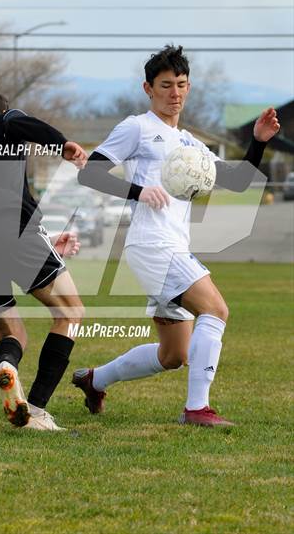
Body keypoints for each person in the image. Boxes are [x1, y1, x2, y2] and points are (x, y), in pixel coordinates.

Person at [72, 45, 280, 426]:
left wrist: (259, 141)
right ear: (148, 88)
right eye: (166, 85)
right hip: (153, 244)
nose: (175, 93)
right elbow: (90, 172)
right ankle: (197, 409)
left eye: (181, 84)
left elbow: (237, 181)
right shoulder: (137, 127)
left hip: (169, 246)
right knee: (216, 310)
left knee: (173, 356)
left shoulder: (190, 144)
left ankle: (93, 379)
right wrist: (137, 191)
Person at [0, 88, 87, 431]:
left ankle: (8, 366)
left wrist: (48, 239)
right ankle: (36, 409)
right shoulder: (4, 122)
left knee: (14, 333)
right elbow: (15, 121)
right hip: (11, 226)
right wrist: (61, 144)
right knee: (70, 312)